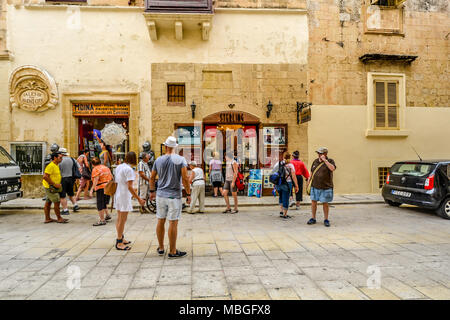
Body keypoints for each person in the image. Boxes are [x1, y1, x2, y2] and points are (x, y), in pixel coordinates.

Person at [149, 136, 191, 259]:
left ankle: (161, 247)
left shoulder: (158, 160)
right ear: (175, 148)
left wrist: (152, 191)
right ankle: (172, 250)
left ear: (166, 146)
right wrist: (188, 194)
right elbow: (184, 178)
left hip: (161, 195)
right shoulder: (181, 159)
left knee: (160, 220)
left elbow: (152, 178)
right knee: (173, 222)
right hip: (174, 196)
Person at [114, 152, 145, 250]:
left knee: (119, 218)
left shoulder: (119, 167)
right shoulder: (129, 170)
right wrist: (139, 198)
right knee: (122, 220)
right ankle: (119, 242)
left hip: (118, 193)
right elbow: (130, 187)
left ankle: (121, 237)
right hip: (124, 195)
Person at [307, 147, 336, 227]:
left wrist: (325, 161)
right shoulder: (315, 161)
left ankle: (326, 219)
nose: (319, 155)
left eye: (321, 153)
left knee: (325, 203)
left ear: (325, 154)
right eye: (318, 153)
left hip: (326, 186)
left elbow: (332, 168)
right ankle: (313, 218)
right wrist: (308, 182)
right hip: (315, 185)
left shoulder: (330, 161)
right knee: (313, 202)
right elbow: (311, 173)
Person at [42, 152, 69, 224]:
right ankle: (59, 218)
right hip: (50, 187)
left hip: (53, 187)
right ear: (55, 158)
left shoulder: (56, 165)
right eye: (60, 157)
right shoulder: (51, 166)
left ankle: (47, 218)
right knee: (57, 201)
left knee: (48, 202)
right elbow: (45, 176)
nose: (61, 159)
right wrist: (54, 184)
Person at [272, 152, 299, 219]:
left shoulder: (278, 164)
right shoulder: (290, 165)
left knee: (281, 196)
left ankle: (281, 211)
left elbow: (273, 173)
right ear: (290, 157)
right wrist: (296, 185)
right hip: (287, 183)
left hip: (279, 183)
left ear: (283, 157)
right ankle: (285, 214)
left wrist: (274, 183)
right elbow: (293, 176)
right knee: (286, 198)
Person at [89, 157, 113, 226]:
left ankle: (102, 220)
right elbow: (111, 177)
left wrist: (91, 190)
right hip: (108, 187)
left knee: (100, 204)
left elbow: (96, 180)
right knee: (104, 202)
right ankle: (107, 215)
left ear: (92, 164)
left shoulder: (95, 169)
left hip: (101, 188)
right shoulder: (106, 167)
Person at [58, 148, 80, 215]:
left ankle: (65, 209)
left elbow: (57, 170)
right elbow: (78, 167)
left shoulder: (59, 160)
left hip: (63, 178)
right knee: (71, 193)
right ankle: (75, 205)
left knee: (62, 195)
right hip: (71, 178)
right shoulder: (72, 159)